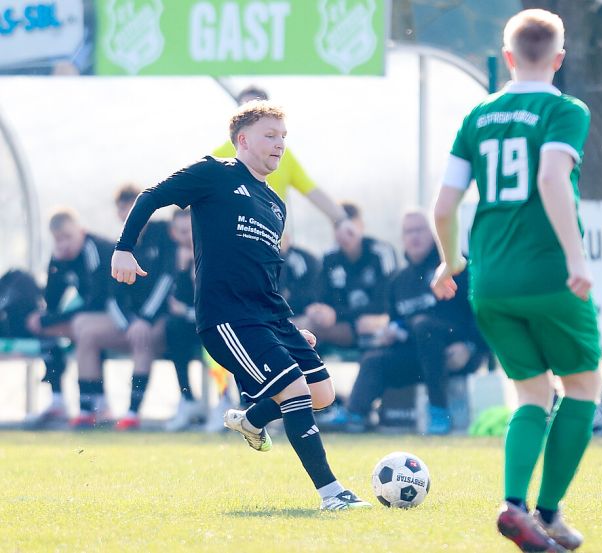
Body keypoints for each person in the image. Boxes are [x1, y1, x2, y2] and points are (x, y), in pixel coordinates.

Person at [111, 100, 370, 510]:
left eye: (283, 137)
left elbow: (266, 272)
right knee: (297, 392)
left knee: (322, 394)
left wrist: (287, 330)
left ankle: (251, 420)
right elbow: (151, 196)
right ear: (243, 140)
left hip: (271, 316)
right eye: (270, 135)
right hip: (227, 317)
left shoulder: (275, 205)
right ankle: (331, 493)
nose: (280, 144)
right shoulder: (214, 172)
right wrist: (124, 249)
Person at [430, 9, 602, 552]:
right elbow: (552, 176)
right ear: (558, 58)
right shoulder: (564, 109)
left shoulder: (477, 115)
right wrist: (577, 259)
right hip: (548, 273)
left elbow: (442, 206)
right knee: (584, 385)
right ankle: (549, 514)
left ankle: (514, 506)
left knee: (532, 392)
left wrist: (450, 260)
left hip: (490, 279)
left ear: (507, 57)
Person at [339, 211, 485, 435]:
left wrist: (471, 347)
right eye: (408, 231)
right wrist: (388, 335)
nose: (414, 236)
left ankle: (438, 410)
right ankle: (355, 414)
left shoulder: (456, 265)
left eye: (420, 230)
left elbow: (482, 313)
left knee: (423, 325)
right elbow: (397, 323)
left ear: (435, 233)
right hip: (420, 356)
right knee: (374, 359)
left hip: (457, 352)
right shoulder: (398, 281)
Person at [75, 184, 176, 431]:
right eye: (124, 209)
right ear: (119, 214)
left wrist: (145, 319)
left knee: (143, 337)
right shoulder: (119, 246)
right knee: (86, 332)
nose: (130, 213)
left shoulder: (163, 235)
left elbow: (166, 279)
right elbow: (112, 297)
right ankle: (90, 409)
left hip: (159, 320)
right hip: (132, 322)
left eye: (135, 207)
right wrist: (127, 323)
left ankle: (132, 413)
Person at [213, 86, 355, 239]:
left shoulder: (282, 154)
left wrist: (342, 220)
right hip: (233, 240)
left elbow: (312, 190)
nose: (248, 118)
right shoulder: (220, 155)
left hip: (272, 241)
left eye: (254, 113)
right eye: (244, 111)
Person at [26, 209, 115, 426]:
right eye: (58, 239)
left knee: (82, 326)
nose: (64, 243)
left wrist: (50, 319)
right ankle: (57, 398)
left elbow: (98, 301)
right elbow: (51, 302)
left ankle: (98, 403)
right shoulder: (63, 257)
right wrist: (56, 264)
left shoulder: (95, 249)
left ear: (81, 231)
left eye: (68, 237)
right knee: (45, 326)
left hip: (117, 316)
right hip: (91, 318)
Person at [294, 202, 395, 350]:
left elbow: (386, 302)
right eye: (337, 228)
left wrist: (336, 314)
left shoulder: (381, 253)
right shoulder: (330, 258)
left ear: (360, 226)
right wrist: (318, 311)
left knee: (368, 323)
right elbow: (320, 297)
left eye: (349, 229)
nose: (343, 235)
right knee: (303, 325)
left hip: (372, 323)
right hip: (342, 323)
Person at [162, 209, 208, 432]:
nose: (187, 236)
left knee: (216, 334)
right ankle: (187, 398)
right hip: (188, 324)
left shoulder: (213, 253)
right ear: (173, 233)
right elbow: (174, 304)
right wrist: (182, 270)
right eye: (182, 232)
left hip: (214, 323)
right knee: (173, 327)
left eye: (191, 230)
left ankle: (226, 401)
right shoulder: (172, 259)